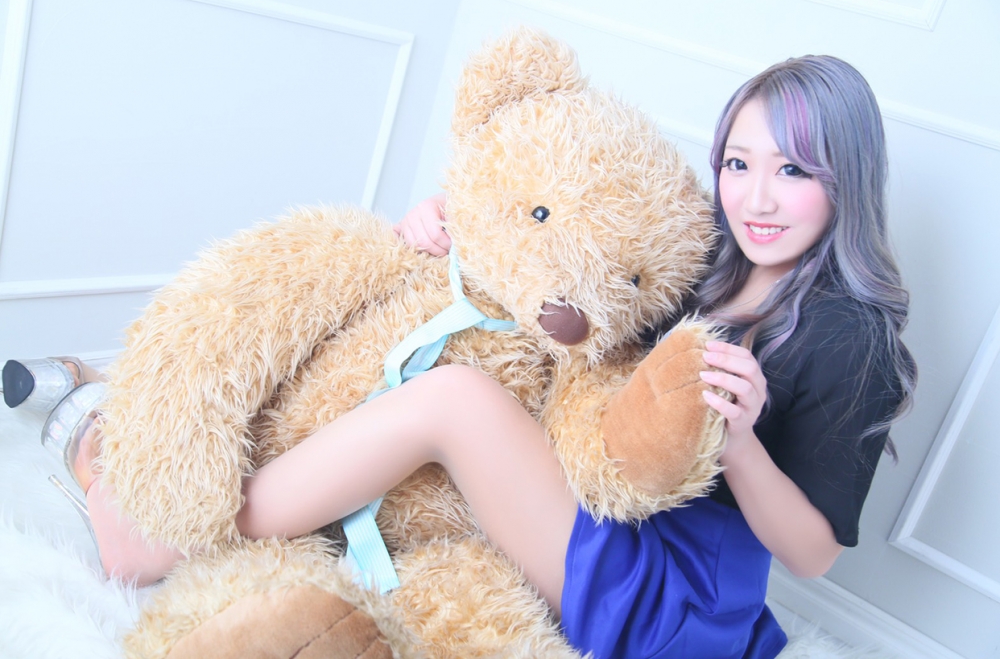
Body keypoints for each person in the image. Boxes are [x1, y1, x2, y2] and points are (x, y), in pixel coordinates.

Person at [7, 54, 915, 658]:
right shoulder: (705, 268)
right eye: (739, 164)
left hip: (666, 599)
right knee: (432, 379)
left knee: (457, 401)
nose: (758, 197)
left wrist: (739, 440)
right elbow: (569, 306)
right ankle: (155, 448)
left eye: (794, 171)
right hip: (592, 514)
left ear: (847, 181)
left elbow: (812, 557)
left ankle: (171, 535)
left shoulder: (851, 335)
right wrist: (451, 229)